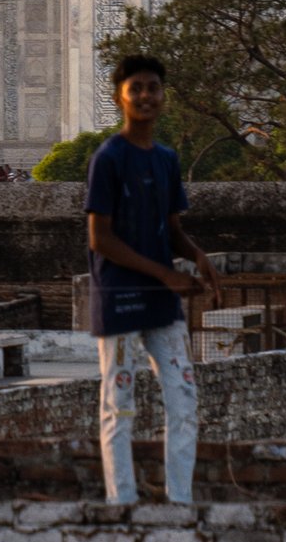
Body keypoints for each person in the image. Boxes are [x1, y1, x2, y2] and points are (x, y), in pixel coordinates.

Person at [83, 53, 207, 509]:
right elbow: (100, 238)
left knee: (184, 397)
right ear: (120, 96)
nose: (146, 96)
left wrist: (196, 256)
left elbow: (171, 227)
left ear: (163, 95)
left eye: (153, 87)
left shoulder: (166, 160)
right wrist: (166, 274)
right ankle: (123, 500)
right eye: (136, 88)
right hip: (120, 297)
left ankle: (180, 501)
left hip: (160, 298)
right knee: (119, 402)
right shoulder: (108, 159)